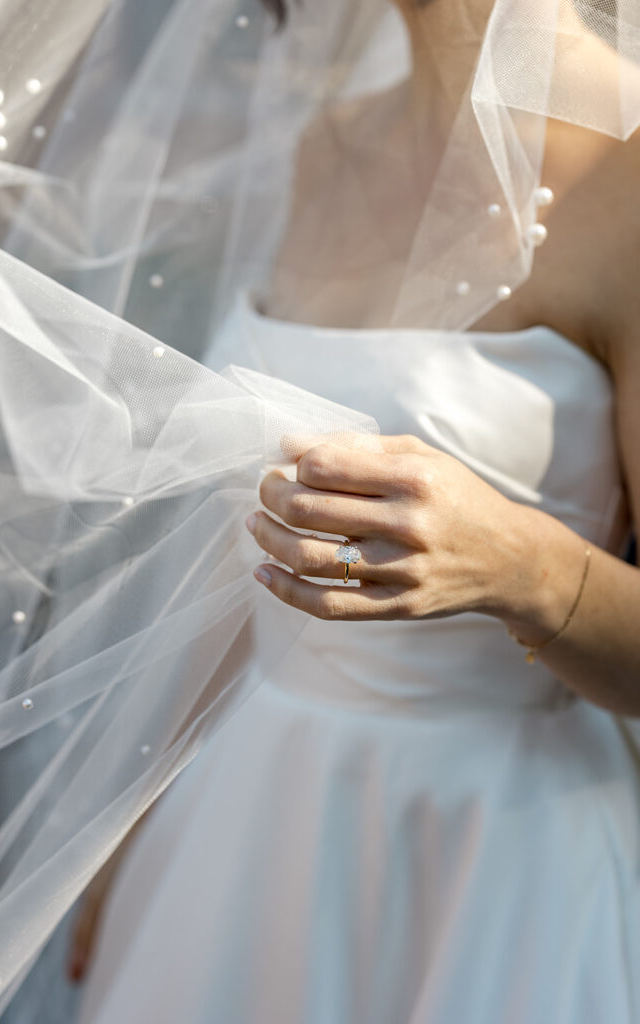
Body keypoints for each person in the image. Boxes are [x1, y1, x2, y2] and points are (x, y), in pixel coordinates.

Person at [55, 2, 640, 1023]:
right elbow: (244, 548)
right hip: (239, 831)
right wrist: (138, 817)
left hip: (490, 862)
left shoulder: (625, 177)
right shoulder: (319, 136)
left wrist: (525, 566)